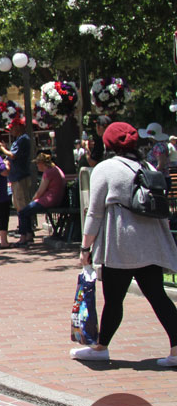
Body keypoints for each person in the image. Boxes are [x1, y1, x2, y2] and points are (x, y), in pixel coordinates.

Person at [71, 122, 177, 365]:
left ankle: (100, 347)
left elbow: (95, 212)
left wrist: (86, 248)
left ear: (108, 144)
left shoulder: (105, 168)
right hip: (150, 242)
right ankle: (176, 349)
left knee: (114, 299)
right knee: (158, 296)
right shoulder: (147, 165)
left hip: (120, 243)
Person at [15, 152, 66, 246]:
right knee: (26, 211)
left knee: (22, 212)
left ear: (42, 163)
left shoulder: (48, 172)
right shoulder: (55, 169)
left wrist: (32, 200)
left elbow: (40, 191)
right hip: (57, 199)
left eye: (37, 163)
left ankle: (24, 238)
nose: (37, 166)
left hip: (49, 200)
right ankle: (29, 235)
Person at [0, 118, 32, 220]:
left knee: (22, 204)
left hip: (21, 177)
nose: (10, 131)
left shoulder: (23, 139)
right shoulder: (18, 139)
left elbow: (13, 155)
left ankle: (27, 231)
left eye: (12, 129)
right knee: (17, 204)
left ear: (18, 127)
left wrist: (2, 148)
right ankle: (23, 229)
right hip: (15, 177)